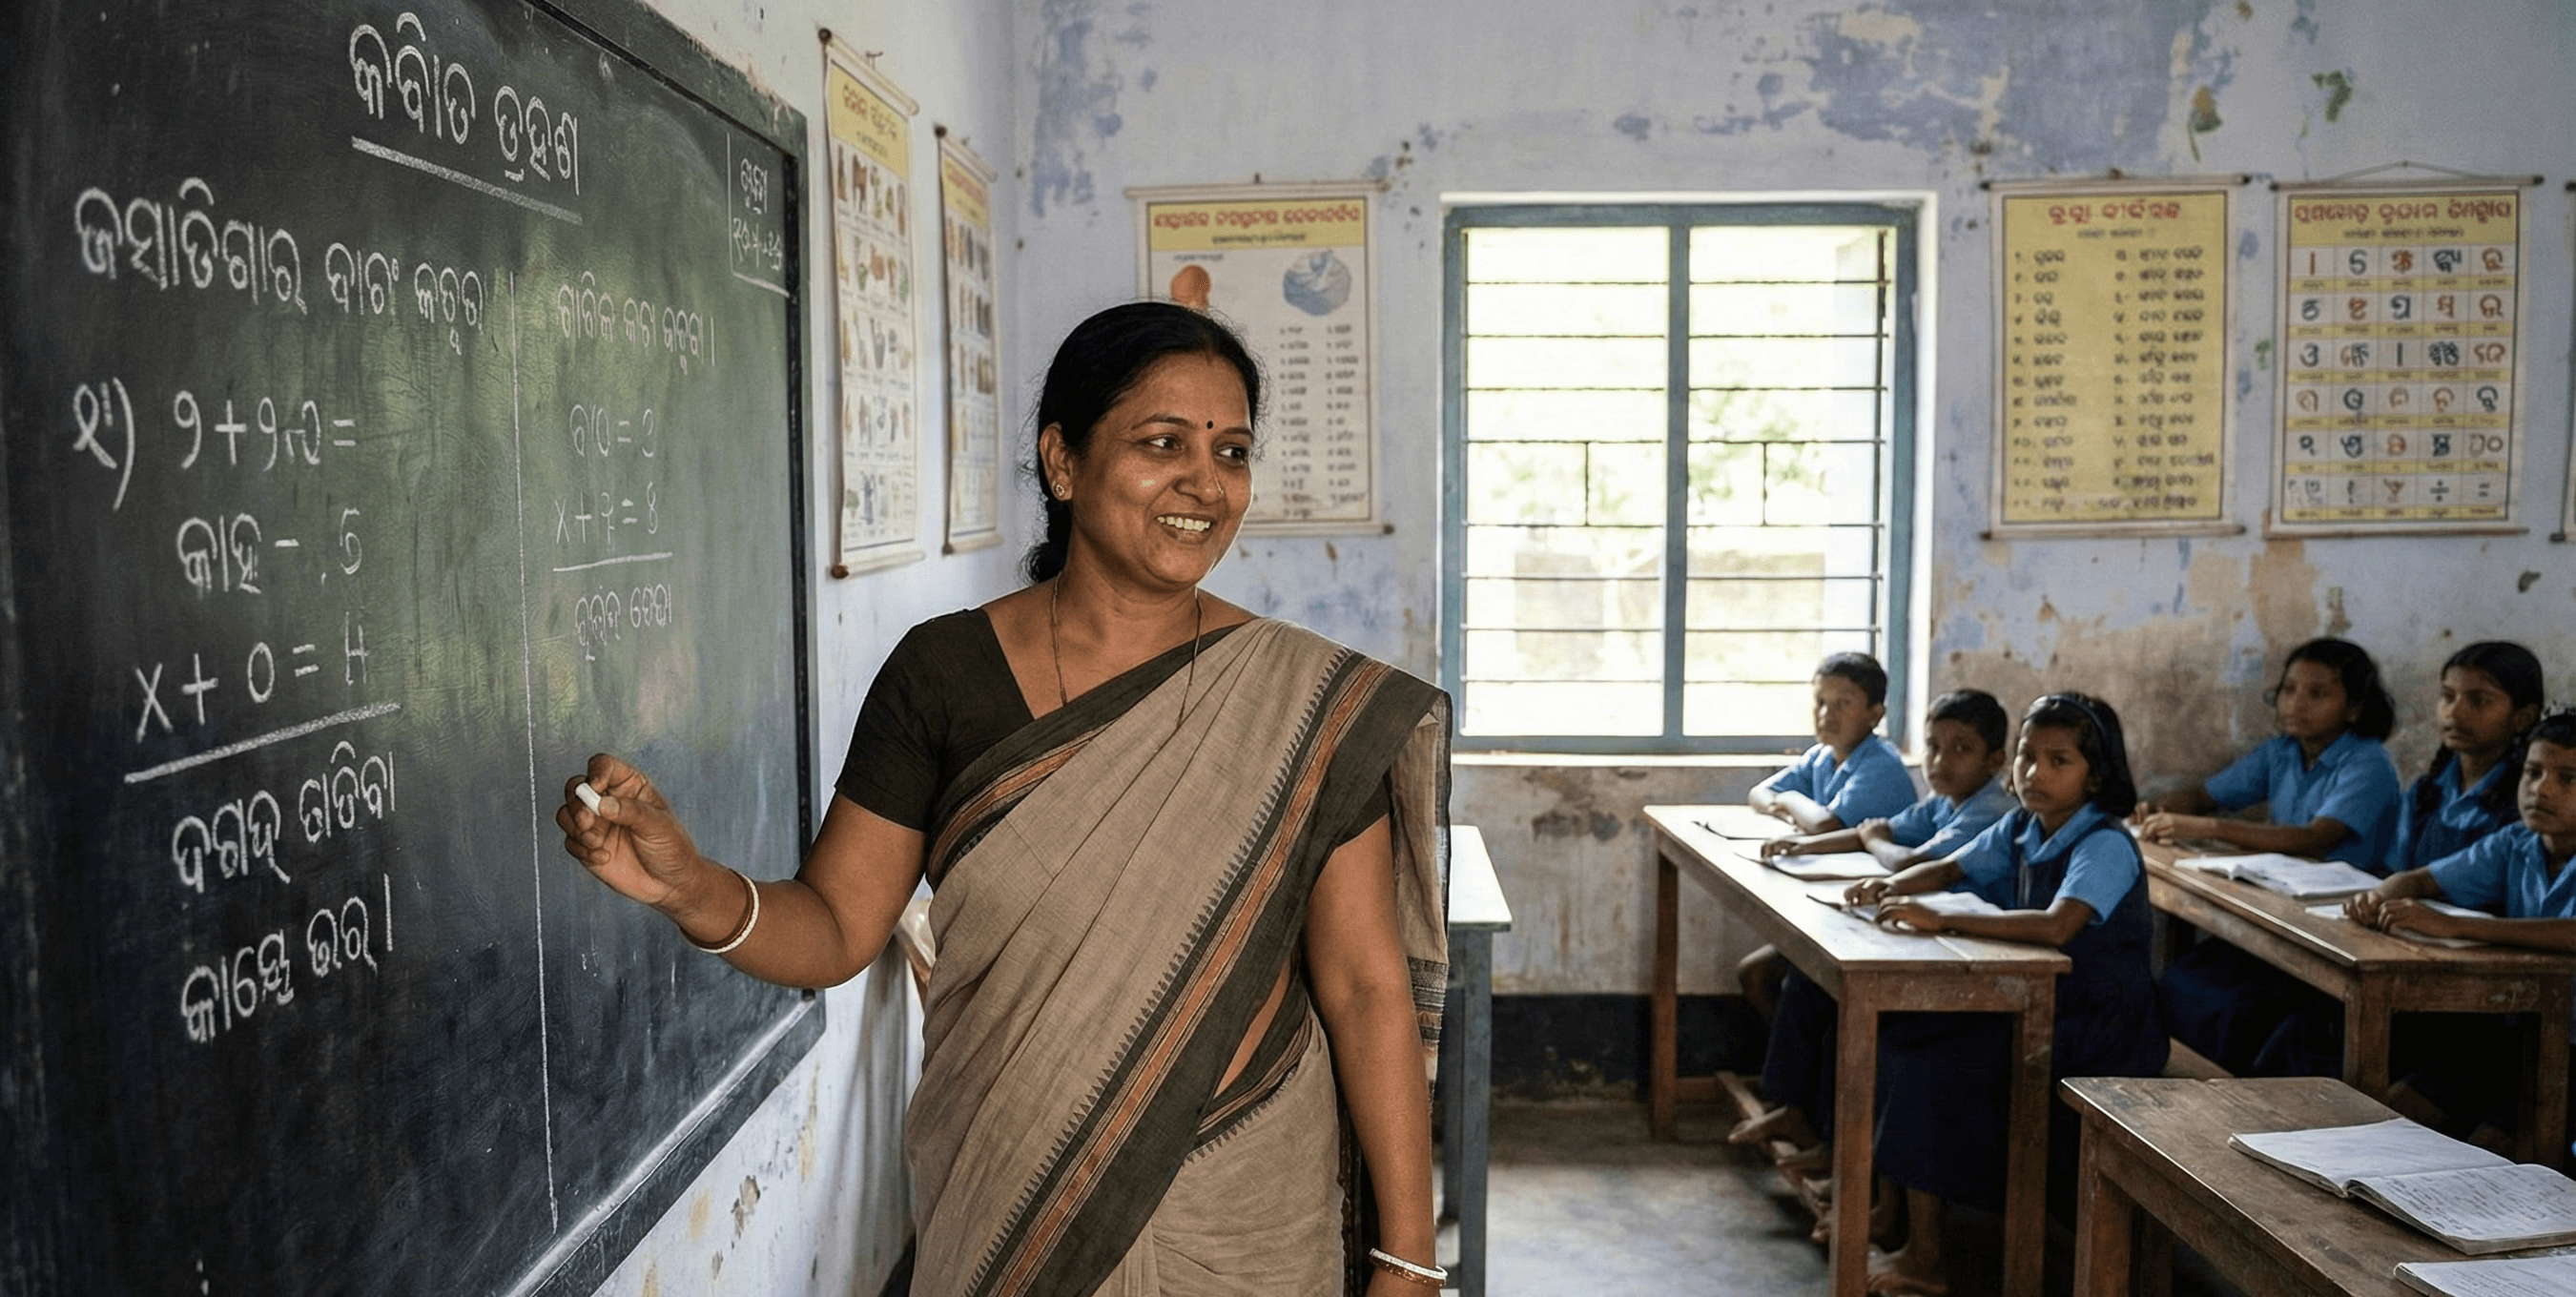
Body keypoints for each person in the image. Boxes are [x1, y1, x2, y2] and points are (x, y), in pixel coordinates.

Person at [556, 301, 1453, 1297]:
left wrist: (1407, 1256)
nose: (1205, 482)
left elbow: (1368, 986)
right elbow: (837, 927)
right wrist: (689, 887)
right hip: (1006, 1187)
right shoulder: (945, 675)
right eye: (1163, 444)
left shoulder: (1302, 707)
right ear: (1062, 463)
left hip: (1239, 1207)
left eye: (1232, 451)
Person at [1841, 694, 2166, 1296]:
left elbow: (2057, 926)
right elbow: (1948, 869)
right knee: (1895, 1034)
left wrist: (1945, 923)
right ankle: (1892, 1213)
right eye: (2026, 756)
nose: (2034, 773)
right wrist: (1887, 885)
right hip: (2033, 1005)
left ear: (2095, 775)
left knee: (1929, 1065)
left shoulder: (2104, 843)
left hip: (2100, 1031)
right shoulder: (2021, 825)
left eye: (2058, 761)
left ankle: (1928, 1256)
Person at [1733, 690, 2017, 1165]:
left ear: (1994, 760)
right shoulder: (1944, 801)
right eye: (1933, 747)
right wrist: (1803, 848)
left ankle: (1843, 1151)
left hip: (1970, 958)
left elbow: (1908, 857)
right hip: (1926, 937)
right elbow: (1886, 830)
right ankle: (1803, 1116)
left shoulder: (1990, 810)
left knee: (1851, 1013)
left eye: (1961, 749)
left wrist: (1874, 842)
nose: (1941, 761)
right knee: (1807, 980)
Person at [2139, 637, 2402, 1075]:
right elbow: (2206, 795)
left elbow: (2317, 839)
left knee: (2236, 1006)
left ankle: (2216, 1092)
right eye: (2289, 689)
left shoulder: (2367, 762)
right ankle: (2177, 1081)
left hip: (2342, 923)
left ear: (2355, 707)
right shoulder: (2281, 752)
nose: (2297, 703)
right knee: (2183, 980)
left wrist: (2207, 827)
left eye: (2318, 694)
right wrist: (2165, 807)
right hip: (2282, 906)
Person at [2339, 709, 2576, 1143]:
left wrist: (2457, 927)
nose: (2542, 790)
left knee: (2490, 1146)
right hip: (2514, 1037)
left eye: (2568, 779)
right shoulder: (2517, 843)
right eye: (2533, 772)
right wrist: (2378, 899)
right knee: (2390, 1117)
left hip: (2571, 1056)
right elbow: (2424, 878)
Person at [1736, 653, 1921, 1019]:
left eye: (1843, 704)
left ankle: (1810, 1073)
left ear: (1875, 714)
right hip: (1832, 905)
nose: (1826, 714)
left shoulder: (1879, 764)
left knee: (1799, 991)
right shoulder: (1822, 757)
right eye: (1820, 702)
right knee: (1755, 975)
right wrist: (1786, 804)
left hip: (1877, 913)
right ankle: (1798, 1073)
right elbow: (1759, 793)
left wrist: (1788, 800)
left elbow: (1824, 825)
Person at [2385, 642, 2546, 875]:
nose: (2455, 712)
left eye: (2479, 700)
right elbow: (2394, 872)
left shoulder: (2528, 802)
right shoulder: (2424, 794)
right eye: (2448, 696)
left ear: (2523, 717)